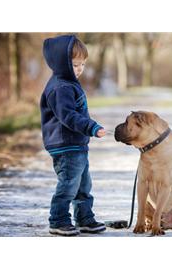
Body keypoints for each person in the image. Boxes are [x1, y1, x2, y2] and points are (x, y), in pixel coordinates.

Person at [40, 34, 107, 236]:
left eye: (83, 65)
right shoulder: (60, 87)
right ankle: (58, 220)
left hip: (77, 145)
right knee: (69, 185)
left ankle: (84, 218)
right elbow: (68, 116)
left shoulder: (68, 82)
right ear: (61, 62)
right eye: (75, 64)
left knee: (83, 185)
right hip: (65, 145)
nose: (79, 69)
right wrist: (92, 127)